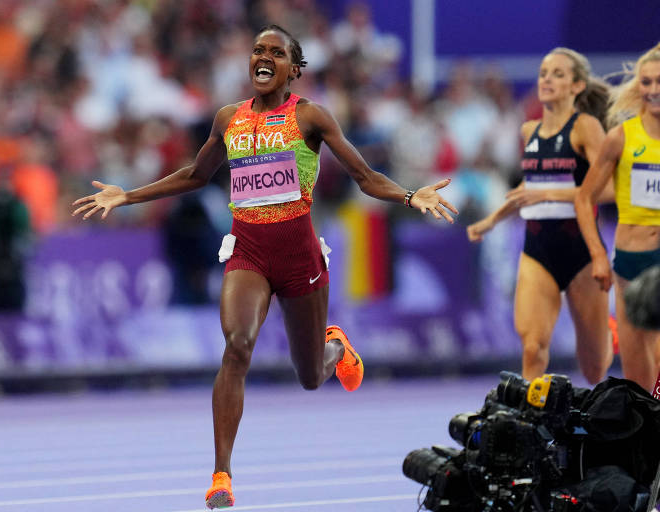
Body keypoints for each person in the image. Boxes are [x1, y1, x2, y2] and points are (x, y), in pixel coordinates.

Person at [71, 25, 457, 509]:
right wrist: (128, 195)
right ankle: (221, 476)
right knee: (237, 346)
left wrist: (407, 194)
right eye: (258, 49)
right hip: (248, 251)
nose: (264, 56)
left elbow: (363, 176)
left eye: (276, 52)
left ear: (294, 69)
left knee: (310, 376)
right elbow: (196, 174)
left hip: (300, 260)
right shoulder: (228, 118)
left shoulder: (311, 116)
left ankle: (335, 348)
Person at [466, 48, 614, 385]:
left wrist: (548, 192)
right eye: (544, 73)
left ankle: (608, 331)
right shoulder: (528, 131)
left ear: (577, 86)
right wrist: (491, 220)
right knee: (532, 347)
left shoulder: (587, 128)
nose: (546, 80)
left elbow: (610, 190)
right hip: (537, 249)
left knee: (594, 368)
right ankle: (529, 427)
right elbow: (528, 187)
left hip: (582, 253)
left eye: (558, 74)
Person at [574, 43, 660, 392]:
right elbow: (584, 197)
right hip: (628, 263)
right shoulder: (621, 138)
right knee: (637, 379)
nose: (653, 90)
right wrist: (597, 254)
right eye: (646, 82)